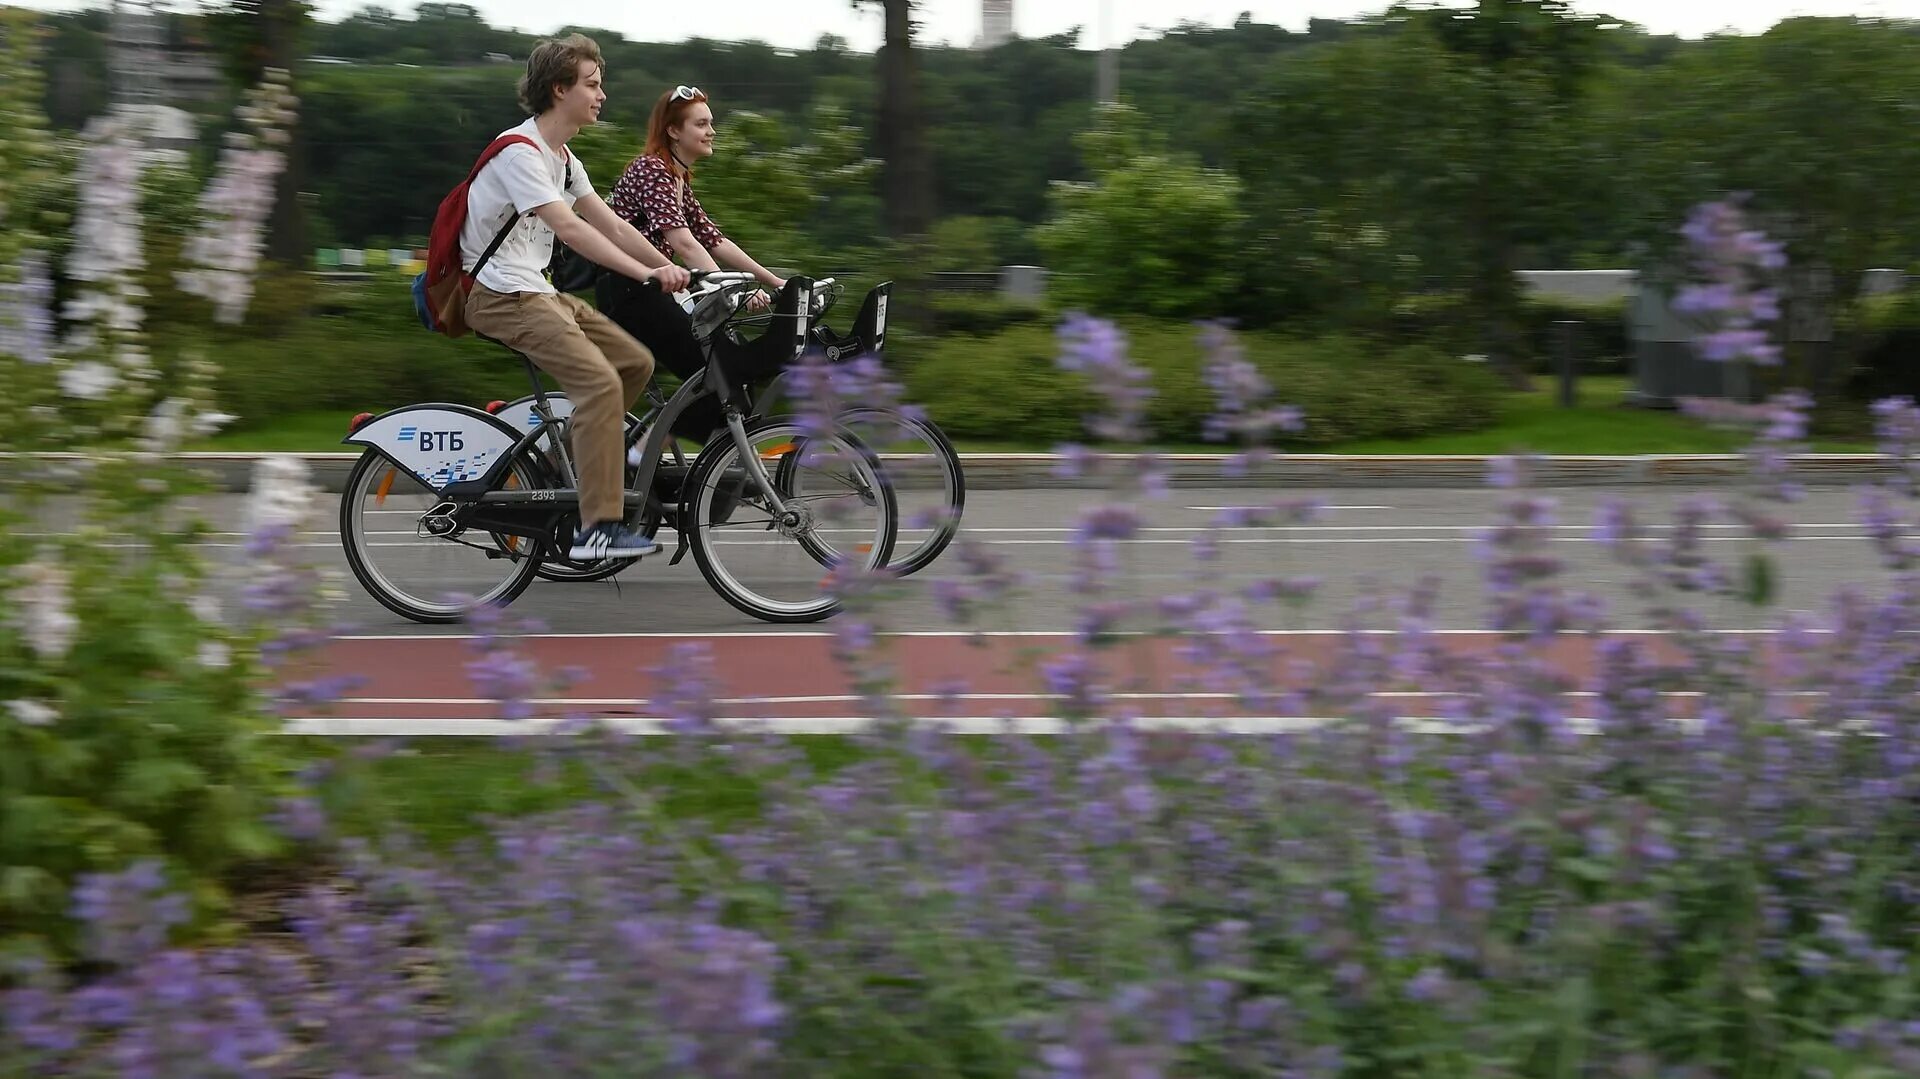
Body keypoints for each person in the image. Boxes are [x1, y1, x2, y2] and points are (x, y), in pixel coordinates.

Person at [459, 34, 690, 561]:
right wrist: (646, 275)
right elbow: (571, 229)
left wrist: (669, 266)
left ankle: (578, 463)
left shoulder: (563, 159)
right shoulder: (520, 153)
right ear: (559, 89)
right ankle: (596, 528)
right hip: (500, 295)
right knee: (600, 383)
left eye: (600, 84)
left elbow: (611, 225)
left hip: (536, 290)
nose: (601, 94)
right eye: (591, 84)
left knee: (635, 363)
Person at [596, 84, 787, 395]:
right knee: (711, 373)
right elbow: (685, 244)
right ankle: (645, 444)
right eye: (701, 124)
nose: (711, 131)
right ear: (673, 130)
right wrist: (737, 289)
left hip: (650, 288)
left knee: (713, 377)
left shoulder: (677, 177)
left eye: (710, 123)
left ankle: (654, 439)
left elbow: (714, 240)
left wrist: (774, 281)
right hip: (628, 289)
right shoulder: (653, 169)